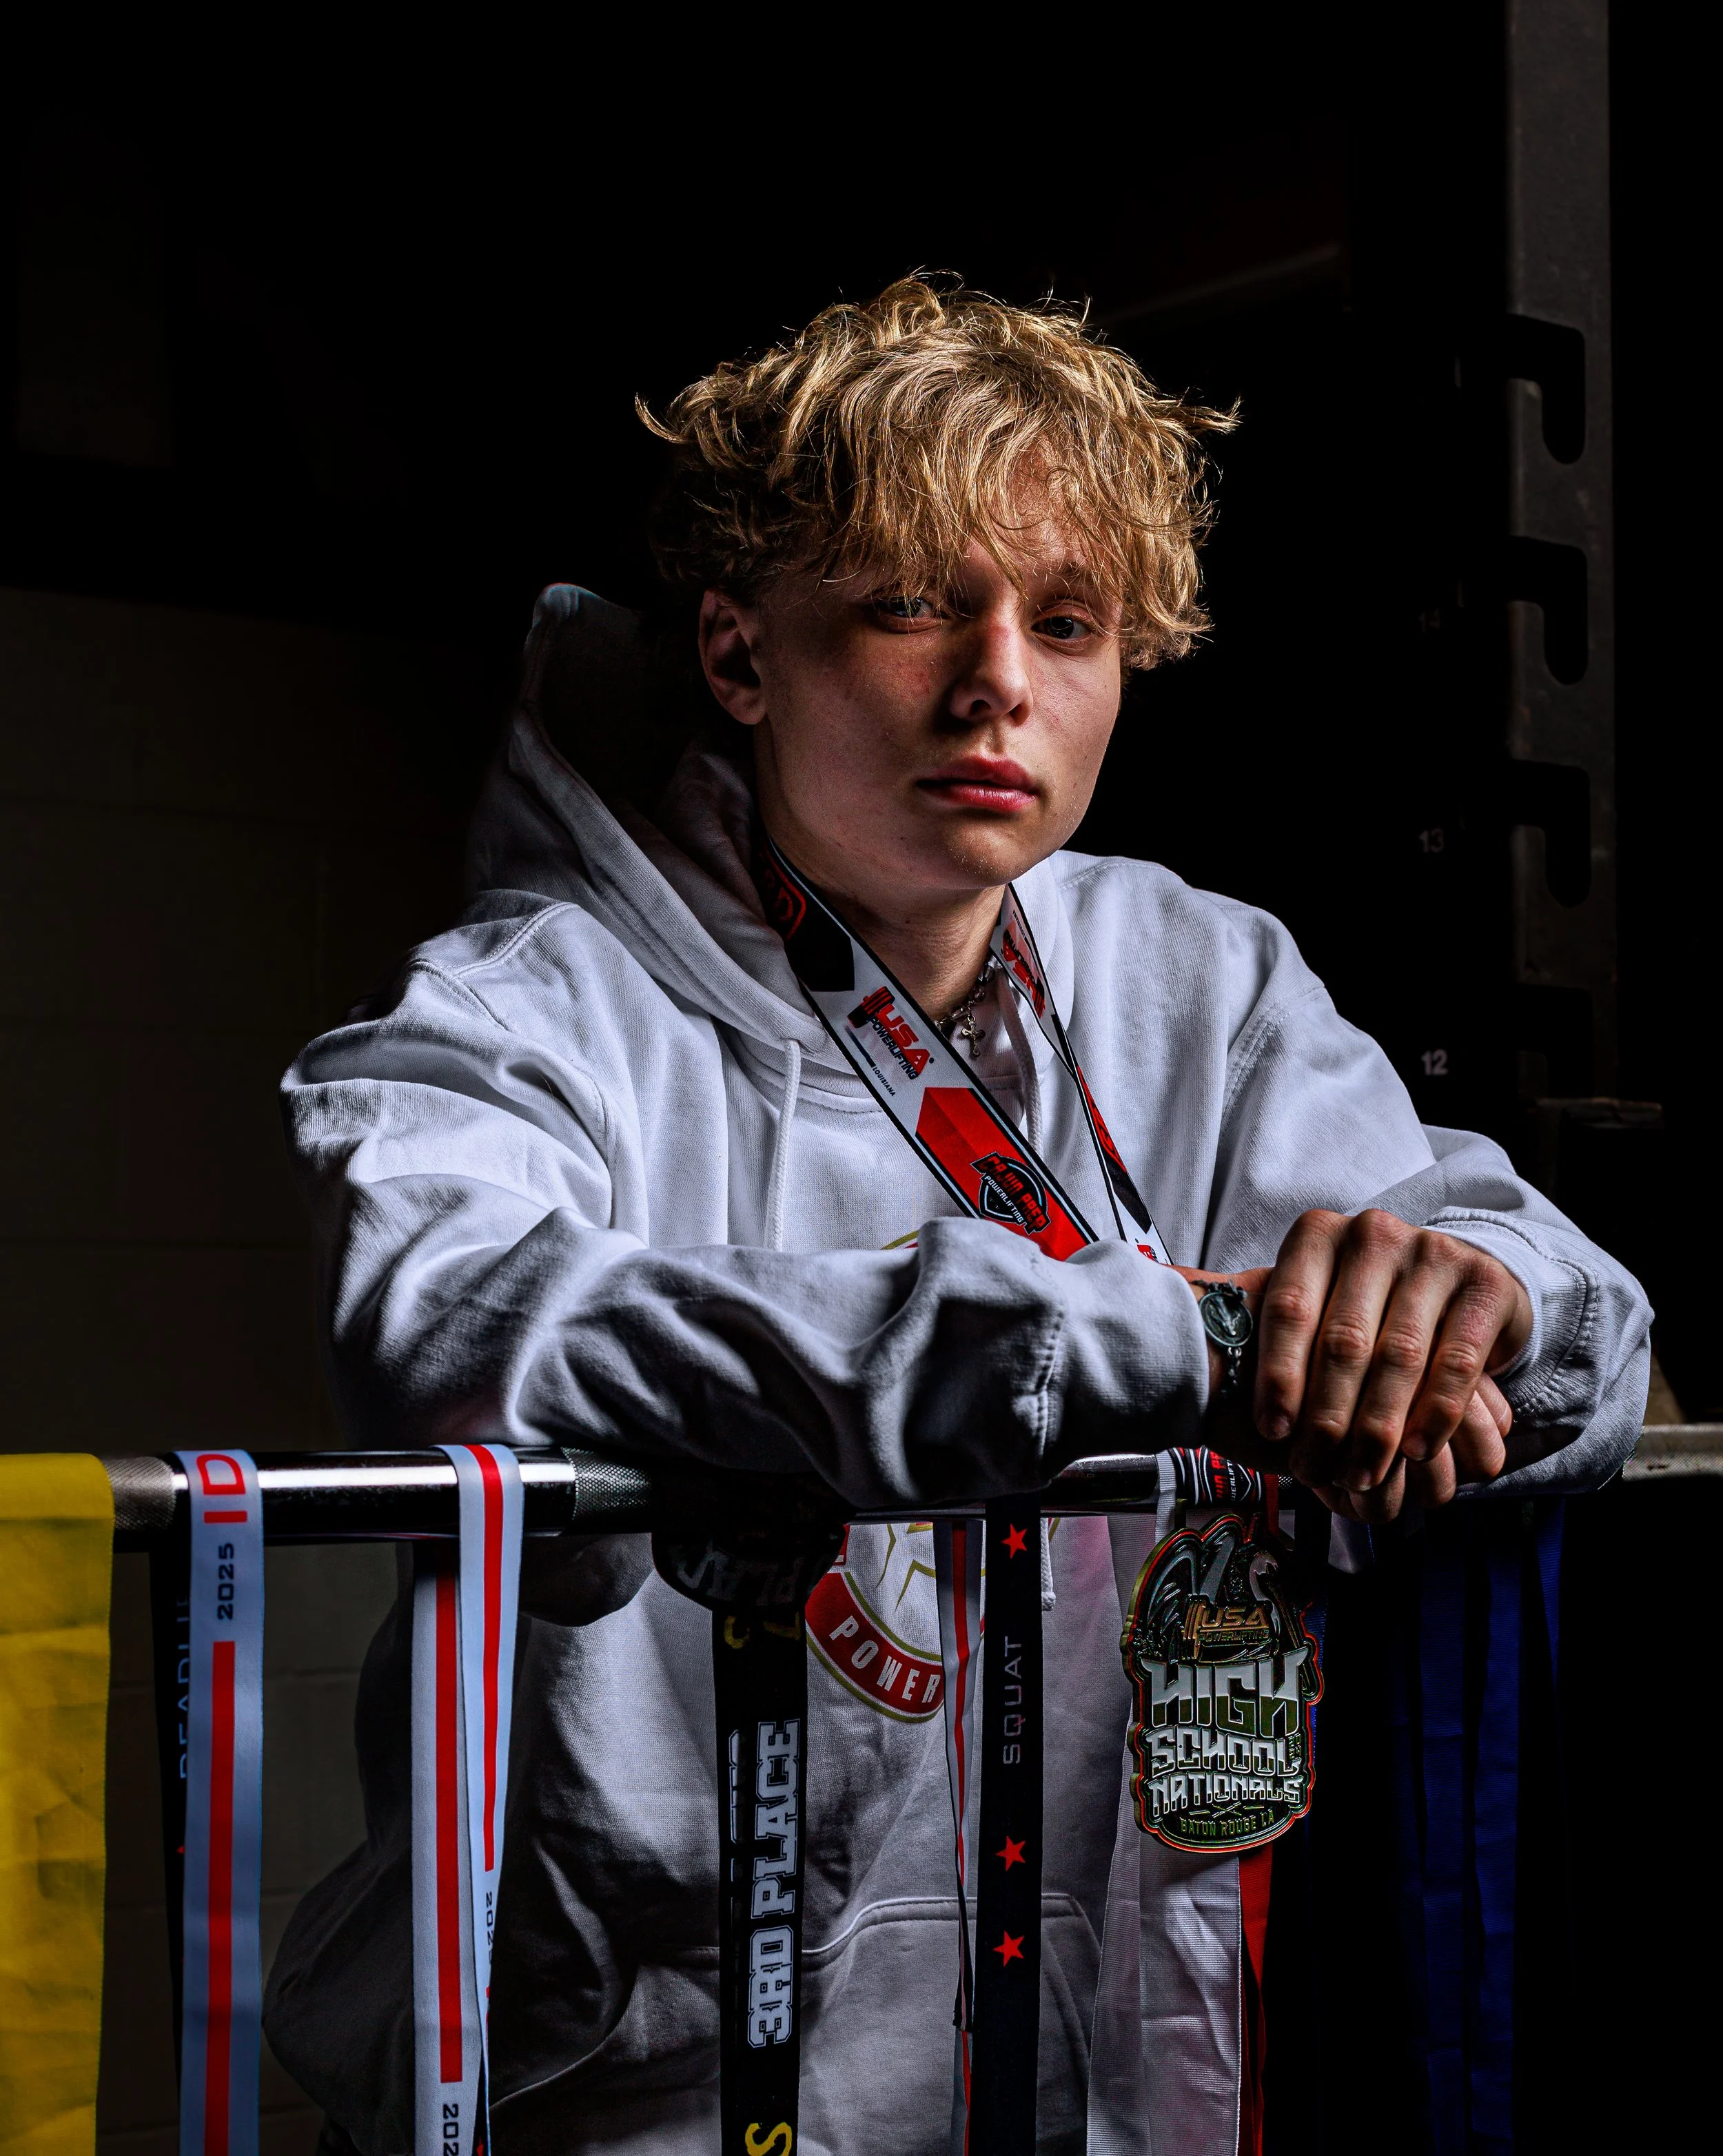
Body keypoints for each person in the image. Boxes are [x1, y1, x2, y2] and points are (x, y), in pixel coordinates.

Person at [265, 278, 1649, 2155]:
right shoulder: (526, 1008)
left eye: (1066, 623)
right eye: (913, 604)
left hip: (1118, 2049)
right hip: (657, 2074)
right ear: (743, 654)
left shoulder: (1198, 979)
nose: (999, 678)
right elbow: (448, 1314)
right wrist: (1175, 1346)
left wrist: (1468, 1312)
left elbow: (1572, 1317)